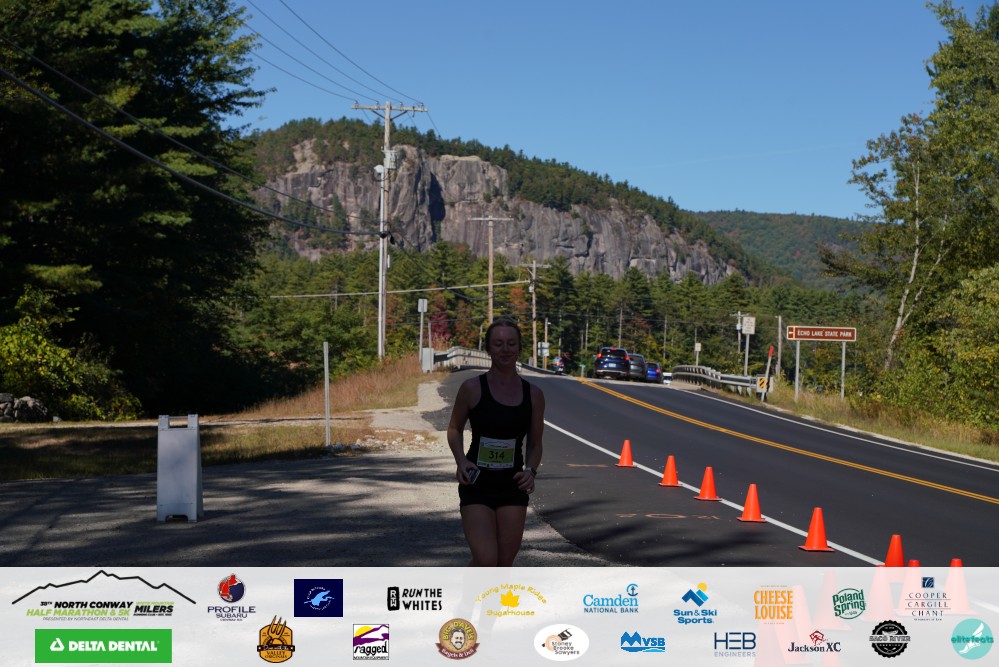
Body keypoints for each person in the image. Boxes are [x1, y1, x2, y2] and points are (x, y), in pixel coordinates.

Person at [447, 316, 545, 566]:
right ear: (489, 348)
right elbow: (454, 429)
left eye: (511, 343)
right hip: (477, 482)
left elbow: (535, 443)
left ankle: (477, 593)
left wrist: (531, 471)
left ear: (519, 348)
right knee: (486, 559)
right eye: (498, 344)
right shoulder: (471, 388)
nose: (505, 349)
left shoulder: (533, 395)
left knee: (503, 563)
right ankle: (470, 591)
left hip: (512, 485)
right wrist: (461, 461)